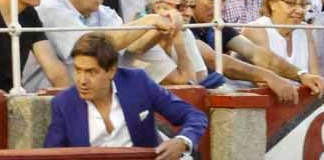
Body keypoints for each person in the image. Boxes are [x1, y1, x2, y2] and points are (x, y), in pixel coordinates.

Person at [43, 32, 207, 149]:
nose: (82, 80)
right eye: (78, 70)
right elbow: (51, 154)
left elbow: (194, 116)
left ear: (111, 71)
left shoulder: (137, 83)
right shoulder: (64, 103)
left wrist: (182, 141)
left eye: (91, 72)